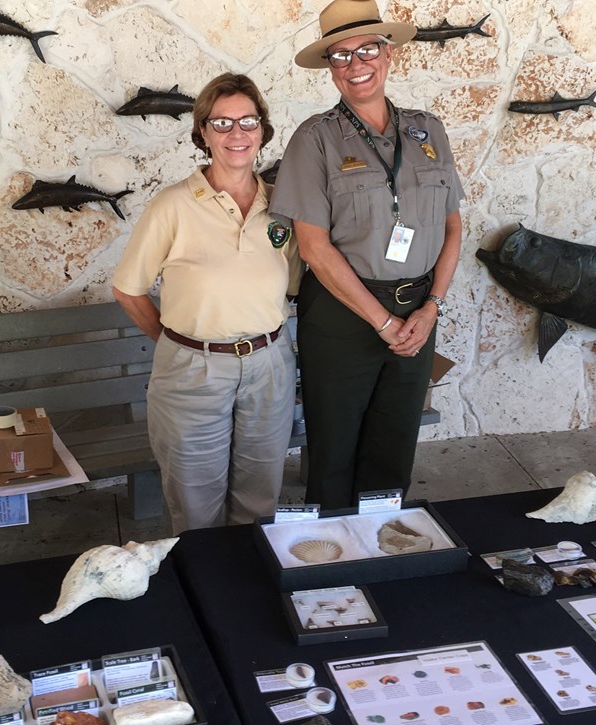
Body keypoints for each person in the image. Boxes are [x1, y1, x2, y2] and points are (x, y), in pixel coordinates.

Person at [270, 0, 464, 509]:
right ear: (330, 67)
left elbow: (452, 225)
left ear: (388, 53)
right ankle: (331, 560)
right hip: (342, 315)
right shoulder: (314, 140)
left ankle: (381, 545)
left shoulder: (428, 130)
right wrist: (381, 322)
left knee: (394, 446)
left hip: (419, 310)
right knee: (334, 451)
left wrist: (431, 307)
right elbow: (313, 246)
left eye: (367, 50)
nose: (356, 65)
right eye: (340, 55)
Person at [113, 73, 300, 533]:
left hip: (269, 365)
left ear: (262, 129)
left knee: (260, 498)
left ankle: (250, 589)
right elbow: (128, 288)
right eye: (222, 123)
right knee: (196, 504)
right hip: (193, 372)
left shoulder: (281, 207)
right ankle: (206, 593)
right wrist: (178, 344)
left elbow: (291, 285)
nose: (237, 134)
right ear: (202, 133)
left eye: (248, 121)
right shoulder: (172, 206)